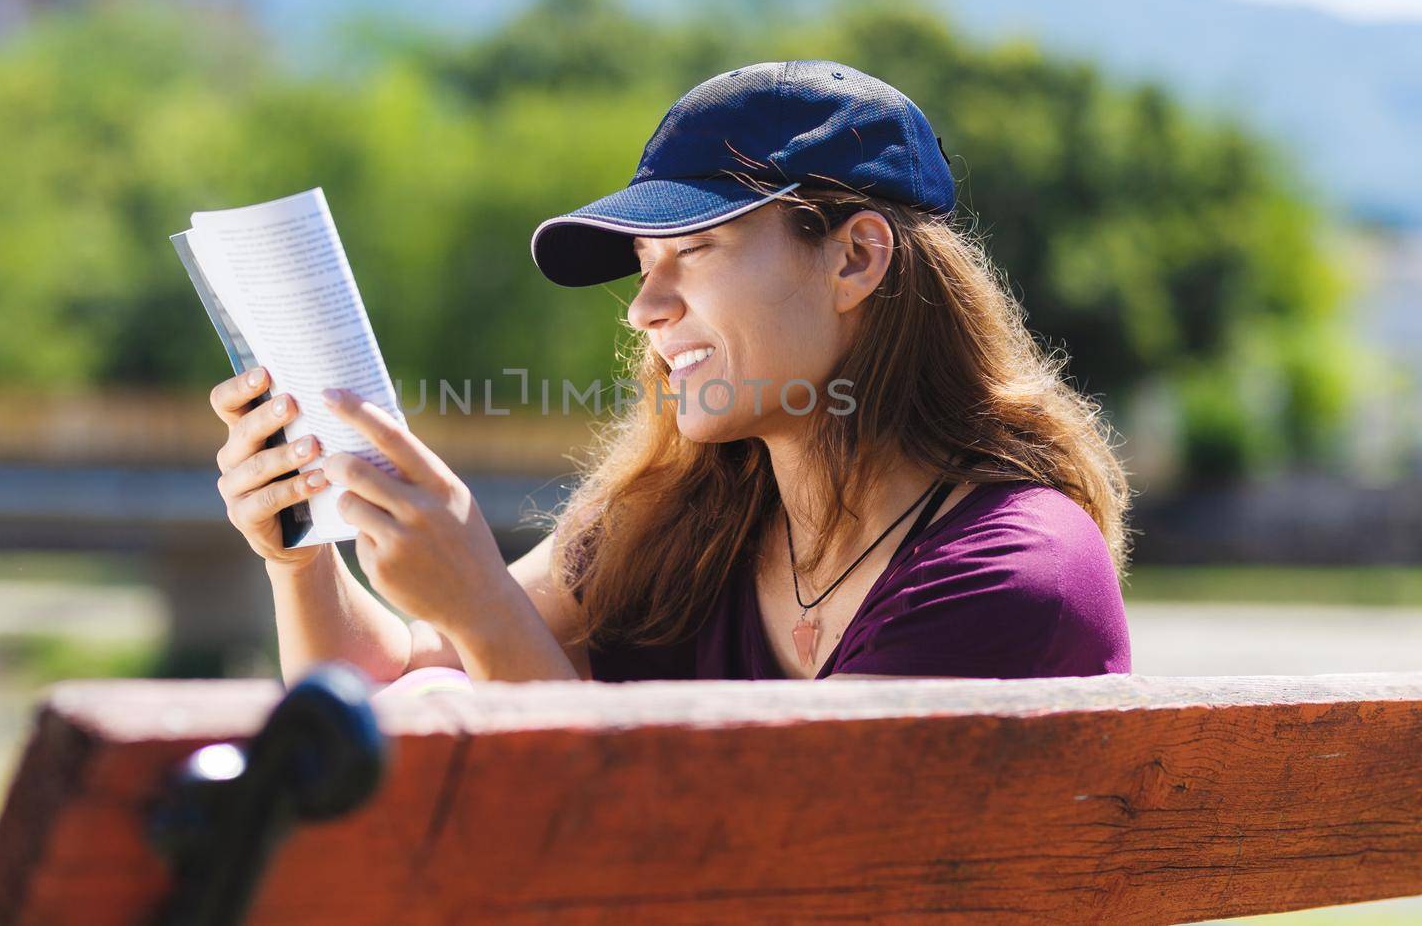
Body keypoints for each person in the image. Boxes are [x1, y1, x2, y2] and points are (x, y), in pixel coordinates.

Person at [209, 59, 1132, 689]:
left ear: (855, 257)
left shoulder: (1013, 575)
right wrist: (300, 555)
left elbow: (771, 876)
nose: (644, 308)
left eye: (694, 248)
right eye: (644, 262)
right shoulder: (679, 514)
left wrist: (488, 608)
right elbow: (405, 678)